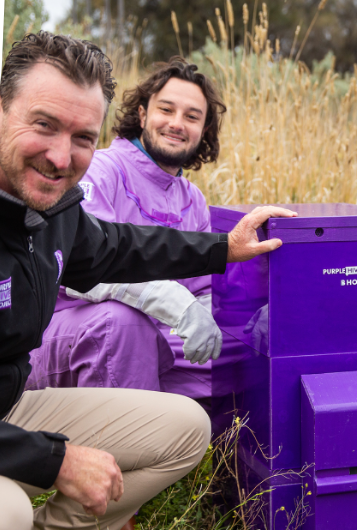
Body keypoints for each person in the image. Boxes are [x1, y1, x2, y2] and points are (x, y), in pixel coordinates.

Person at [0, 32, 295, 530]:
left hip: (11, 405)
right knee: (8, 512)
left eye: (81, 138)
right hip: (77, 342)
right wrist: (55, 460)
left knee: (186, 428)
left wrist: (224, 249)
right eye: (43, 125)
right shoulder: (100, 175)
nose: (59, 156)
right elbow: (96, 286)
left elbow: (123, 247)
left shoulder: (53, 208)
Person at [26, 57, 226, 408]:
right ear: (144, 114)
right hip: (65, 334)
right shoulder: (102, 171)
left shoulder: (193, 200)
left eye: (192, 116)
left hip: (155, 343)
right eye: (166, 110)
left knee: (240, 354)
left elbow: (204, 293)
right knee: (122, 324)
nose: (177, 124)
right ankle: (113, 453)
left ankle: (216, 453)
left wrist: (249, 322)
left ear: (204, 129)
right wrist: (176, 304)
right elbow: (84, 272)